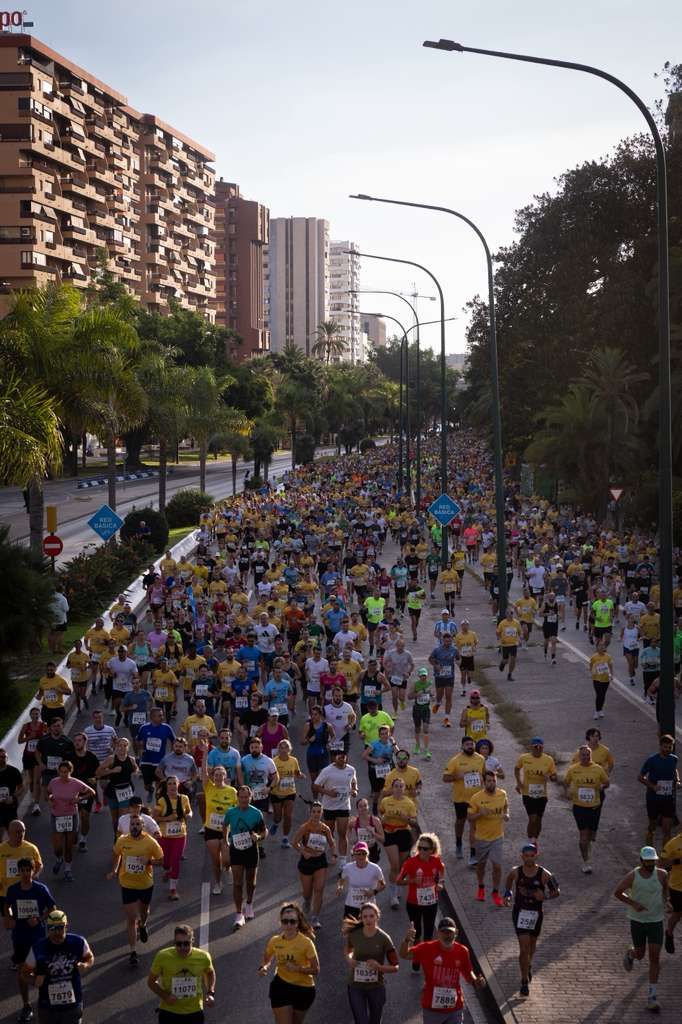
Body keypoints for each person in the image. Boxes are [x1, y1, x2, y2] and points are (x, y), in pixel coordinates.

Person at [399, 915, 485, 1023]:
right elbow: (404, 954)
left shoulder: (462, 951)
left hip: (455, 1008)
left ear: (456, 933)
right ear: (438, 934)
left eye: (450, 932)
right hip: (432, 1009)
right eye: (443, 932)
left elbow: (468, 972)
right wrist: (407, 940)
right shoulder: (427, 948)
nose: (447, 935)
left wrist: (476, 980)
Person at [615, 846, 669, 1013]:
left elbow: (666, 890)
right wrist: (633, 903)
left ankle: (652, 997)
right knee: (640, 954)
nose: (650, 864)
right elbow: (618, 892)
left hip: (656, 921)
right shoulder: (633, 875)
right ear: (641, 861)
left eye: (652, 861)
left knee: (655, 957)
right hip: (637, 921)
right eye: (647, 861)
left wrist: (666, 901)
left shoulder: (662, 874)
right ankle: (631, 953)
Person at [503, 843, 560, 996]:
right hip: (520, 913)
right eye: (526, 856)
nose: (529, 858)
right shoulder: (515, 872)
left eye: (532, 855)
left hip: (536, 914)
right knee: (524, 948)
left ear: (536, 855)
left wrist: (546, 896)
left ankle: (528, 965)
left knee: (532, 946)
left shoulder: (544, 874)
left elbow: (556, 891)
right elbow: (508, 884)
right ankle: (523, 981)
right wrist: (507, 895)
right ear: (522, 856)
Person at [107, 813, 164, 966]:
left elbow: (162, 860)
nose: (135, 827)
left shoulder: (150, 842)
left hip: (145, 884)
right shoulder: (122, 841)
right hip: (127, 884)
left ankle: (144, 925)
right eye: (132, 824)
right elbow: (116, 854)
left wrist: (150, 861)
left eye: (138, 824)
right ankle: (133, 951)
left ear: (143, 826)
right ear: (129, 826)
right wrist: (114, 869)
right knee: (131, 918)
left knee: (144, 913)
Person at [4, 858, 55, 1023]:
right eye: (23, 870)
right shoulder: (12, 890)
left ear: (33, 871)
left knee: (41, 971)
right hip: (20, 937)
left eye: (29, 870)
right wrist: (9, 917)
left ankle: (44, 1002)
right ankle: (26, 1005)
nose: (26, 874)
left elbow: (52, 909)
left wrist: (40, 919)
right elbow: (6, 906)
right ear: (18, 872)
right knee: (22, 972)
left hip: (38, 938)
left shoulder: (41, 889)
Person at [22, 908, 94, 1024]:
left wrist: (85, 965)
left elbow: (89, 957)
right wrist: (34, 980)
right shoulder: (38, 948)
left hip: (73, 1004)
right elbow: (24, 973)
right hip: (47, 1007)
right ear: (47, 928)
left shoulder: (78, 942)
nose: (56, 933)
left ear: (66, 926)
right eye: (52, 928)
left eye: (60, 927)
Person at [258, 902, 319, 1023]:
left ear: (298, 923)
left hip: (303, 989)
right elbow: (267, 957)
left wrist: (298, 969)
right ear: (281, 922)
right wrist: (264, 966)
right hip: (281, 986)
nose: (289, 925)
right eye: (285, 921)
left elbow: (316, 969)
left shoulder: (306, 943)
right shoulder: (275, 941)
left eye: (292, 921)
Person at [148, 923, 216, 1023]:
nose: (182, 947)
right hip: (169, 1011)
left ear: (192, 941)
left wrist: (210, 992)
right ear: (174, 942)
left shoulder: (203, 957)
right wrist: (165, 996)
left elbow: (210, 973)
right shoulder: (162, 956)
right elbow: (151, 982)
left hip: (194, 1011)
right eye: (179, 944)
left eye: (186, 943)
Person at [344, 901, 399, 1024]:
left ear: (377, 917)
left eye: (371, 916)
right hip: (355, 985)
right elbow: (348, 950)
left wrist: (379, 967)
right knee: (361, 1021)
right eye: (365, 916)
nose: (368, 919)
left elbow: (395, 966)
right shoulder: (354, 934)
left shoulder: (384, 938)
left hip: (376, 987)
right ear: (361, 918)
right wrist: (349, 959)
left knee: (375, 1021)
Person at [396, 833, 445, 962]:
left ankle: (426, 959)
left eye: (426, 849)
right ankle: (417, 957)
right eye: (420, 848)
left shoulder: (436, 861)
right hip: (414, 904)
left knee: (428, 934)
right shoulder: (410, 863)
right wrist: (411, 881)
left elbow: (442, 874)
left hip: (431, 902)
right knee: (417, 934)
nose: (422, 851)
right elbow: (398, 880)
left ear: (432, 850)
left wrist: (440, 884)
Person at [562, 744, 610, 873]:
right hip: (579, 807)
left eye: (587, 755)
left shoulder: (598, 769)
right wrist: (566, 792)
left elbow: (607, 783)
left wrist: (602, 787)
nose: (585, 757)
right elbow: (565, 783)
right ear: (579, 756)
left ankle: (588, 848)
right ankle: (586, 862)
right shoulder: (573, 769)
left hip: (594, 807)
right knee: (583, 836)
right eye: (583, 755)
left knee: (591, 836)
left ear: (590, 755)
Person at [224, 785, 266, 930]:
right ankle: (238, 913)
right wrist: (225, 841)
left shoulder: (256, 813)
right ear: (237, 798)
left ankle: (249, 903)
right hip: (236, 850)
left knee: (251, 882)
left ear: (250, 797)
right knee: (237, 883)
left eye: (246, 797)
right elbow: (225, 826)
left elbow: (264, 831)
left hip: (251, 850)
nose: (243, 800)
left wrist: (258, 836)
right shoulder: (231, 812)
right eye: (241, 797)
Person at [47, 761, 94, 882]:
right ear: (58, 772)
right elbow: (48, 792)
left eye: (66, 772)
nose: (63, 774)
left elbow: (91, 792)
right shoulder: (54, 782)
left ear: (70, 771)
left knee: (69, 846)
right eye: (61, 772)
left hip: (71, 816)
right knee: (57, 847)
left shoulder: (76, 783)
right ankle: (59, 859)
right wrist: (50, 799)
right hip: (56, 815)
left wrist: (80, 798)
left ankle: (68, 870)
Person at [198, 747, 237, 895]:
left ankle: (228, 869)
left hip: (226, 830)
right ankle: (218, 883)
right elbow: (203, 773)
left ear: (226, 777)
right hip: (211, 829)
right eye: (216, 774)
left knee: (226, 860)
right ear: (213, 776)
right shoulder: (209, 788)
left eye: (221, 774)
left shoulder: (232, 791)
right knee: (216, 861)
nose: (219, 777)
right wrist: (205, 753)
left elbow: (235, 810)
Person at [292, 801, 337, 928]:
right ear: (310, 812)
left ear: (322, 813)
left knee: (319, 889)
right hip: (306, 861)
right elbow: (295, 843)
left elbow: (332, 843)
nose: (316, 814)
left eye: (318, 812)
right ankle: (306, 901)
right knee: (307, 893)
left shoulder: (325, 828)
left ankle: (315, 917)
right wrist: (303, 851)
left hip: (320, 861)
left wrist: (334, 855)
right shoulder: (305, 827)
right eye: (314, 812)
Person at [467, 770, 509, 905]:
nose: (492, 783)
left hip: (497, 837)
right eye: (489, 781)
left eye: (494, 781)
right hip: (482, 838)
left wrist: (506, 814)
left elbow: (506, 807)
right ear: (484, 782)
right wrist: (480, 813)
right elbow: (469, 818)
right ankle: (481, 887)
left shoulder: (502, 794)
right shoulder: (476, 798)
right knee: (481, 865)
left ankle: (496, 893)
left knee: (497, 866)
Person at [442, 736, 485, 865]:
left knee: (474, 826)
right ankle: (459, 843)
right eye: (467, 745)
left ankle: (473, 855)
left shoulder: (480, 759)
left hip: (476, 798)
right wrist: (457, 776)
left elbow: (484, 774)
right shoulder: (455, 761)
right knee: (460, 822)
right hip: (460, 798)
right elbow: (445, 778)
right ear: (462, 746)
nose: (470, 747)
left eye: (471, 744)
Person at [313, 749, 358, 868]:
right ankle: (330, 852)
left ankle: (343, 861)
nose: (342, 759)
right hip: (329, 807)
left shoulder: (351, 770)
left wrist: (354, 790)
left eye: (344, 757)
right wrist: (328, 792)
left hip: (344, 806)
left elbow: (354, 782)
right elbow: (316, 786)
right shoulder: (327, 771)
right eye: (339, 757)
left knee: (342, 834)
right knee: (329, 832)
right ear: (334, 758)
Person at [379, 777, 418, 909]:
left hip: (403, 833)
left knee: (401, 866)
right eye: (396, 786)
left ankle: (397, 885)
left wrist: (405, 818)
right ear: (392, 788)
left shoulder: (409, 803)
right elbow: (380, 819)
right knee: (394, 866)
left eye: (401, 786)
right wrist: (384, 818)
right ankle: (393, 895)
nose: (399, 788)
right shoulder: (385, 801)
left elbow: (414, 822)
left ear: (404, 789)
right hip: (389, 833)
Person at [154, 775, 192, 901]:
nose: (172, 786)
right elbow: (155, 818)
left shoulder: (184, 798)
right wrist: (167, 819)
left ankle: (173, 889)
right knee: (165, 863)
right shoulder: (162, 801)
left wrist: (189, 815)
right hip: (165, 835)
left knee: (175, 860)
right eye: (169, 784)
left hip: (180, 835)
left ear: (178, 785)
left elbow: (189, 811)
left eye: (174, 784)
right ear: (166, 786)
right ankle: (167, 871)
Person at [639, 734, 679, 847]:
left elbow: (674, 770)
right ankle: (648, 846)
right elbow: (640, 777)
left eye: (670, 747)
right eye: (665, 747)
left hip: (668, 798)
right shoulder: (652, 760)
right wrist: (653, 786)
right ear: (660, 746)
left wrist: (678, 781)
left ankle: (664, 855)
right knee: (652, 825)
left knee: (667, 829)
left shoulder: (674, 759)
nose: (667, 749)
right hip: (653, 798)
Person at [514, 738, 557, 841]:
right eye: (535, 747)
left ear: (543, 748)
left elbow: (554, 776)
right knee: (532, 819)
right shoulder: (524, 758)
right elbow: (516, 768)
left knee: (538, 819)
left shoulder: (548, 760)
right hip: (527, 793)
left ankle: (535, 840)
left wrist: (551, 777)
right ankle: (530, 841)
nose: (538, 749)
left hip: (542, 794)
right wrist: (519, 782)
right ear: (531, 747)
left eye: (540, 747)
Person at [96, 736, 139, 837]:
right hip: (113, 791)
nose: (122, 748)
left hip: (126, 791)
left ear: (128, 747)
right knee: (115, 819)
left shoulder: (131, 759)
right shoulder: (111, 759)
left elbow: (136, 769)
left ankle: (121, 839)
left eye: (124, 745)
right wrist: (112, 770)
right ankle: (116, 836)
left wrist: (135, 772)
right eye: (120, 745)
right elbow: (98, 772)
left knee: (122, 818)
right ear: (116, 746)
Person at [0, 820, 43, 910]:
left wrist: (35, 875)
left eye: (23, 831)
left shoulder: (31, 848)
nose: (21, 834)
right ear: (9, 833)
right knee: (8, 919)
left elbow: (39, 865)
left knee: (26, 919)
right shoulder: (1, 849)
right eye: (17, 832)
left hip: (25, 891)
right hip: (5, 892)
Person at [337, 841, 386, 920]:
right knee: (349, 930)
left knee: (368, 930)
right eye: (358, 854)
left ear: (367, 854)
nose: (361, 856)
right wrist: (340, 887)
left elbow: (383, 884)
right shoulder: (348, 868)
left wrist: (373, 892)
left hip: (369, 907)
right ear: (354, 855)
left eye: (364, 853)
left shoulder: (375, 868)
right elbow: (341, 879)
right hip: (351, 905)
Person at [271, 739, 304, 848]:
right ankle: (276, 823)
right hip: (276, 792)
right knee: (278, 816)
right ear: (278, 749)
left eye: (286, 747)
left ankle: (285, 838)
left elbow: (296, 772)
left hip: (290, 791)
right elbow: (270, 775)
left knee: (288, 816)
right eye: (281, 747)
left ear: (289, 749)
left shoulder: (293, 760)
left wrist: (300, 775)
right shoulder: (274, 761)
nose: (284, 750)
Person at [136, 709, 175, 798]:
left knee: (160, 785)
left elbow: (174, 740)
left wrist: (172, 753)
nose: (162, 717)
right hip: (146, 761)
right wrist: (141, 749)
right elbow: (139, 740)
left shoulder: (167, 728)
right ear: (152, 717)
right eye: (159, 716)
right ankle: (150, 789)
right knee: (147, 786)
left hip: (160, 761)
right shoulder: (144, 728)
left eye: (162, 715)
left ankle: (158, 803)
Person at [661, 824, 682, 954]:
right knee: (677, 914)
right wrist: (678, 861)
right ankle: (669, 933)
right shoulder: (673, 843)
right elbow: (663, 863)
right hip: (677, 886)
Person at [428, 633, 457, 728]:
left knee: (448, 696)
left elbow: (458, 658)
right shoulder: (437, 650)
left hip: (449, 676)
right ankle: (438, 703)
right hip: (439, 676)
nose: (447, 643)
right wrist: (436, 665)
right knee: (439, 695)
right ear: (443, 641)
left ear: (452, 641)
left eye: (449, 641)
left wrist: (459, 662)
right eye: (446, 641)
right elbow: (430, 659)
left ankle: (446, 718)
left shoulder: (454, 650)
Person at [349, 798, 385, 865]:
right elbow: (349, 836)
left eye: (365, 805)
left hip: (372, 849)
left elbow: (383, 839)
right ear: (357, 809)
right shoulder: (353, 822)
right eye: (360, 806)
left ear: (368, 807)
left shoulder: (375, 821)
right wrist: (353, 840)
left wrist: (373, 833)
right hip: (360, 850)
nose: (363, 808)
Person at [0, 747, 24, 840]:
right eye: (0, 757)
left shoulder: (13, 771)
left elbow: (21, 787)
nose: (2, 759)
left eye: (4, 757)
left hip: (10, 807)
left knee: (15, 834)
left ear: (7, 758)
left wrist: (13, 797)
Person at [589, 638, 614, 719]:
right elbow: (591, 666)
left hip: (605, 679)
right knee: (599, 694)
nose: (601, 647)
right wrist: (593, 672)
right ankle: (596, 711)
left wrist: (611, 675)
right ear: (597, 647)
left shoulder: (608, 657)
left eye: (603, 645)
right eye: (599, 645)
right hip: (596, 679)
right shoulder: (594, 657)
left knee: (603, 695)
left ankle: (600, 710)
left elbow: (610, 667)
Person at [454, 620, 477, 697]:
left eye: (466, 625)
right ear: (461, 626)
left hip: (470, 656)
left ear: (468, 626)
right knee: (463, 674)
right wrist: (458, 657)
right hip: (462, 657)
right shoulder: (458, 636)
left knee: (469, 672)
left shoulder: (473, 634)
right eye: (463, 625)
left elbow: (476, 642)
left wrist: (473, 649)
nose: (465, 627)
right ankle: (463, 689)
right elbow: (456, 646)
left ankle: (469, 676)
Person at [496, 612, 521, 681]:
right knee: (506, 660)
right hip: (505, 645)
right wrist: (499, 638)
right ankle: (502, 663)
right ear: (506, 615)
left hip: (513, 644)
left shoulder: (516, 623)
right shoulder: (502, 623)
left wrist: (520, 640)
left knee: (513, 659)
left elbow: (519, 632)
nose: (510, 615)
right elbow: (498, 632)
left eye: (511, 613)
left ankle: (509, 674)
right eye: (508, 614)